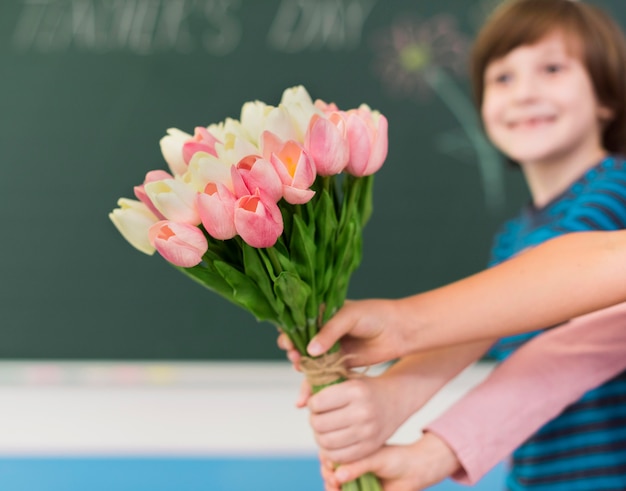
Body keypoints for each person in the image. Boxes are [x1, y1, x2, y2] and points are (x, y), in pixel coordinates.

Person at [279, 1, 626, 489]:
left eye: (551, 69)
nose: (524, 92)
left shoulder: (617, 189)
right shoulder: (515, 236)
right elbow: (524, 321)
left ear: (607, 97)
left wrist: (400, 374)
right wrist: (402, 403)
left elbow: (557, 280)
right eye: (502, 79)